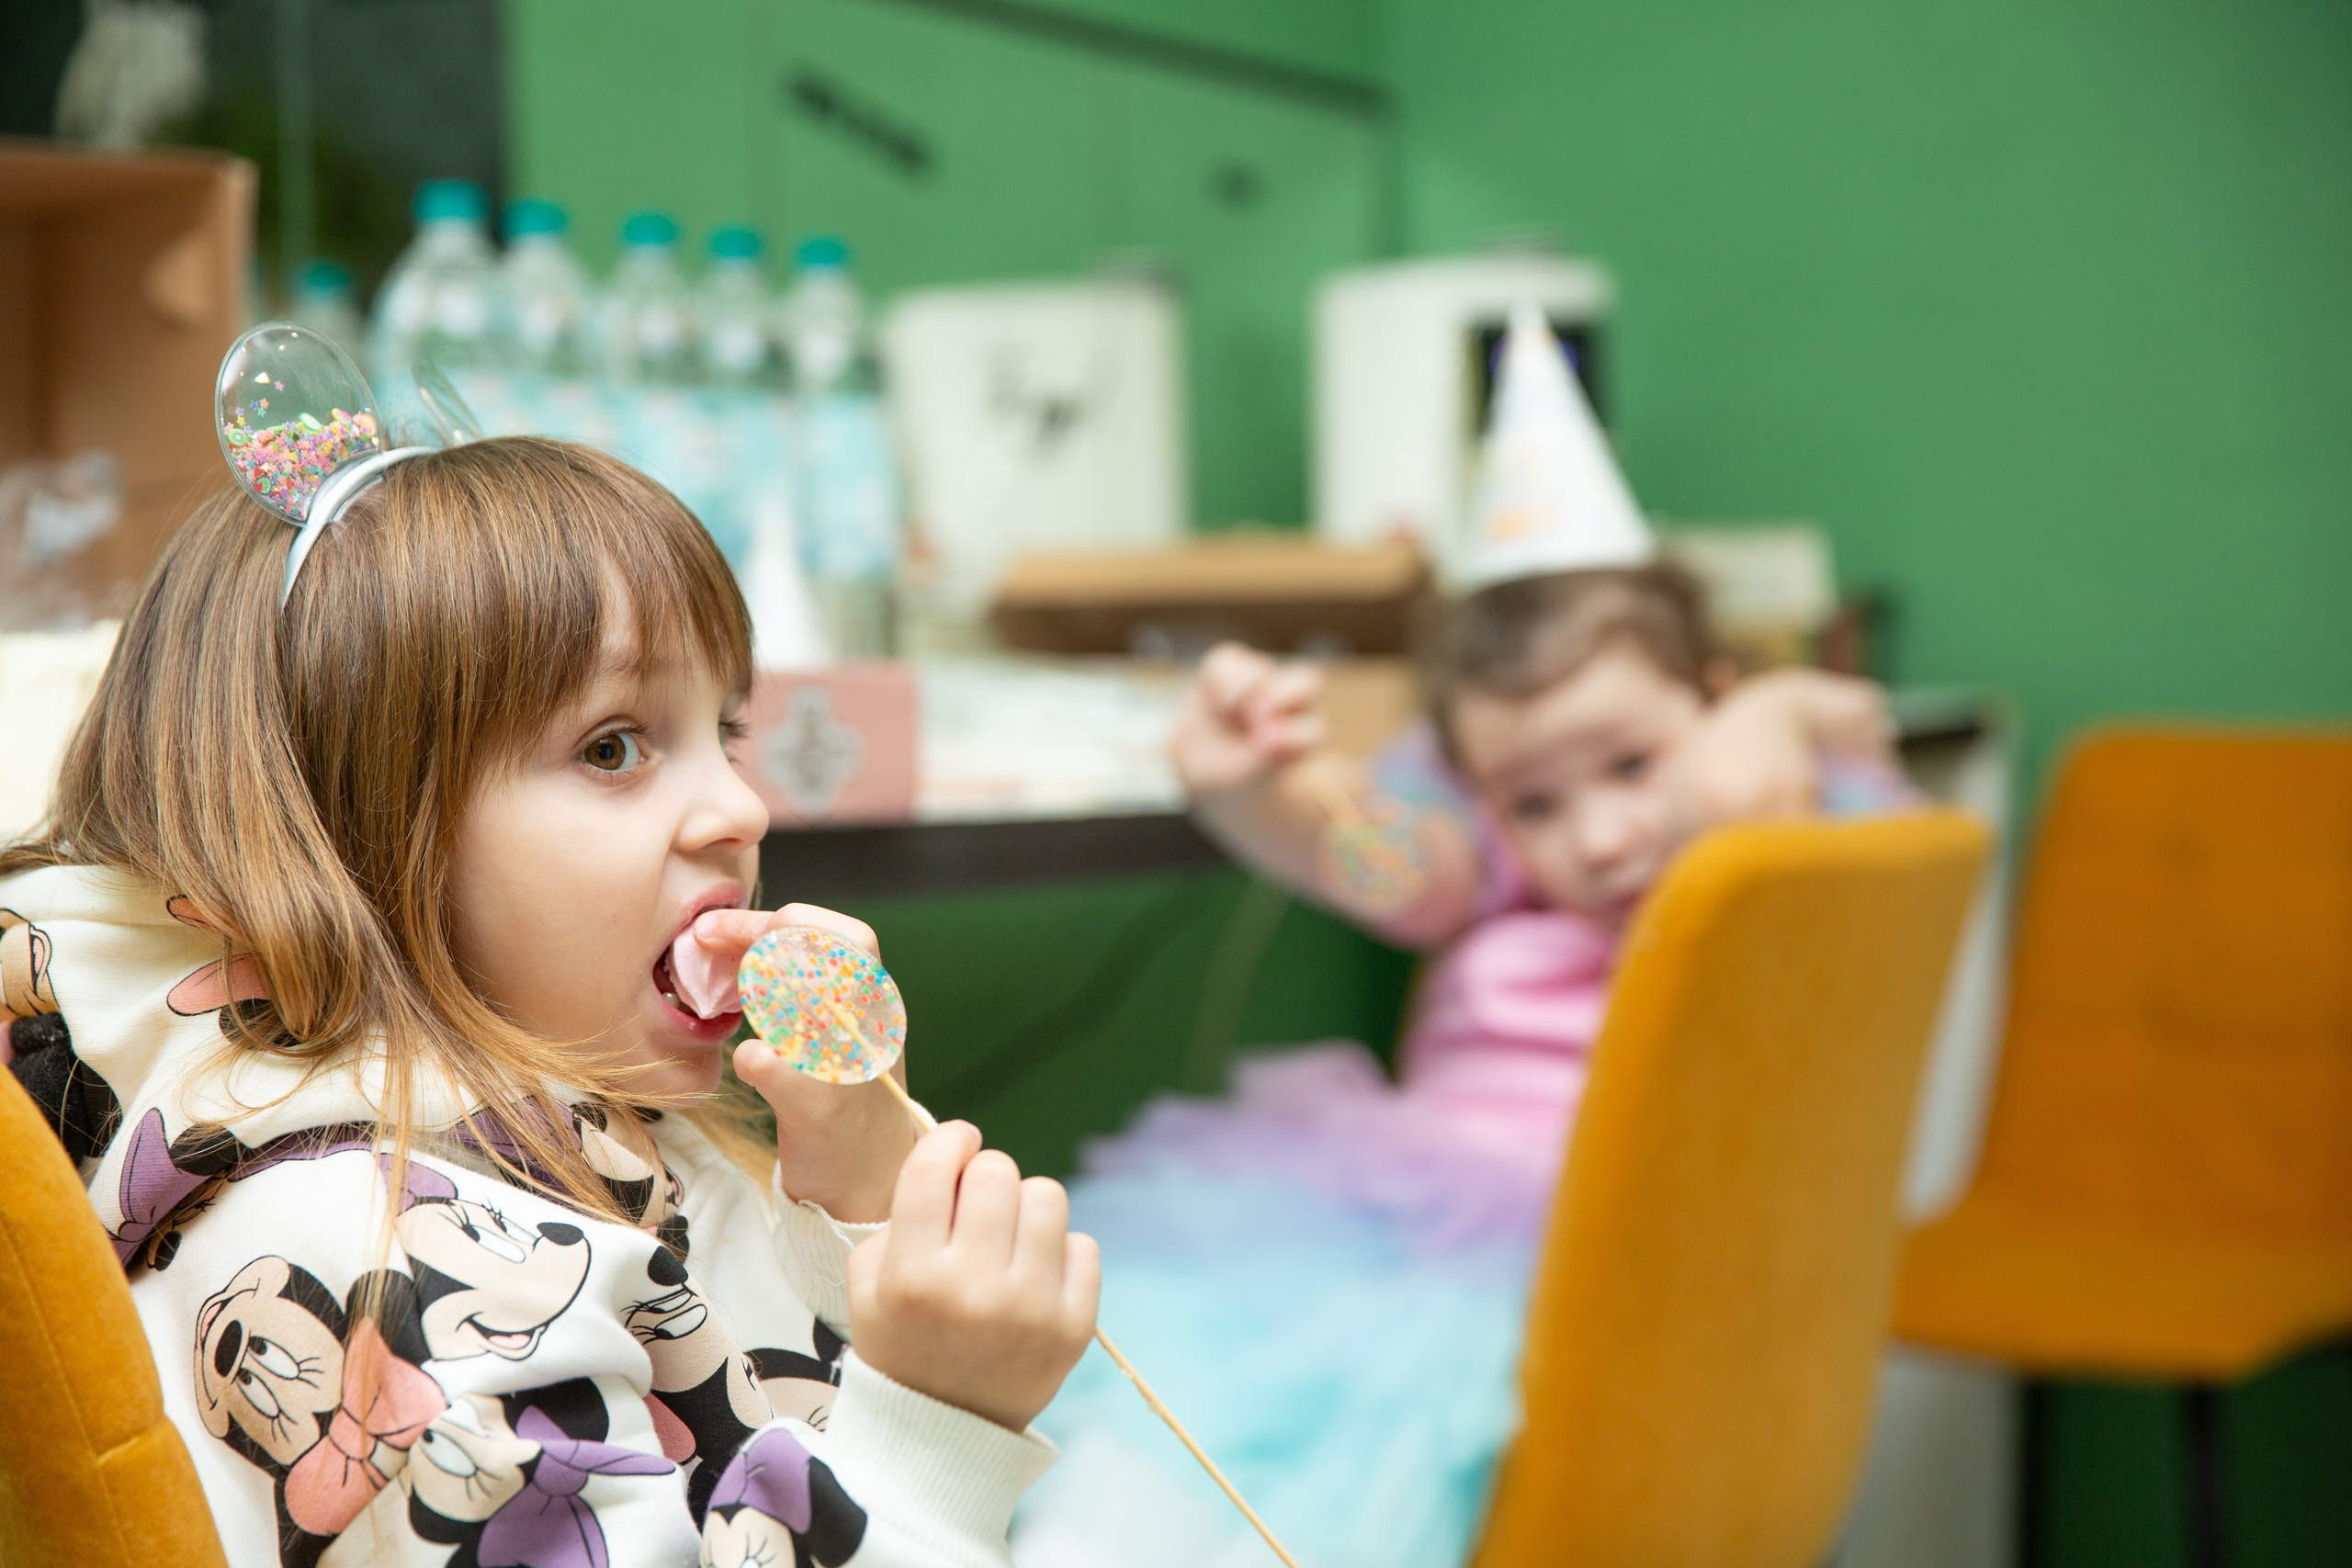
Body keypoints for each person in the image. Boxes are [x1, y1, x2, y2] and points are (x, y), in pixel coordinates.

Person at [0, 432, 1098, 1568]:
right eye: (614, 747)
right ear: (355, 842)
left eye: (725, 732)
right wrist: (933, 1423)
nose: (740, 809)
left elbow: (766, 1437)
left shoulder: (594, 1132)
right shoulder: (387, 1270)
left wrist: (856, 1209)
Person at [1009, 313, 1909, 1568]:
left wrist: (1770, 703)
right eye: (1534, 797)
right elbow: (1385, 863)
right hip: (1399, 1213)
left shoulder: (1771, 815)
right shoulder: (1482, 864)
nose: (1597, 836)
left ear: (1710, 696)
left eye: (1633, 764)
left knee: (1332, 1459)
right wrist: (1256, 790)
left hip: (1598, 1258)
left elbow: (1780, 770)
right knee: (1166, 1421)